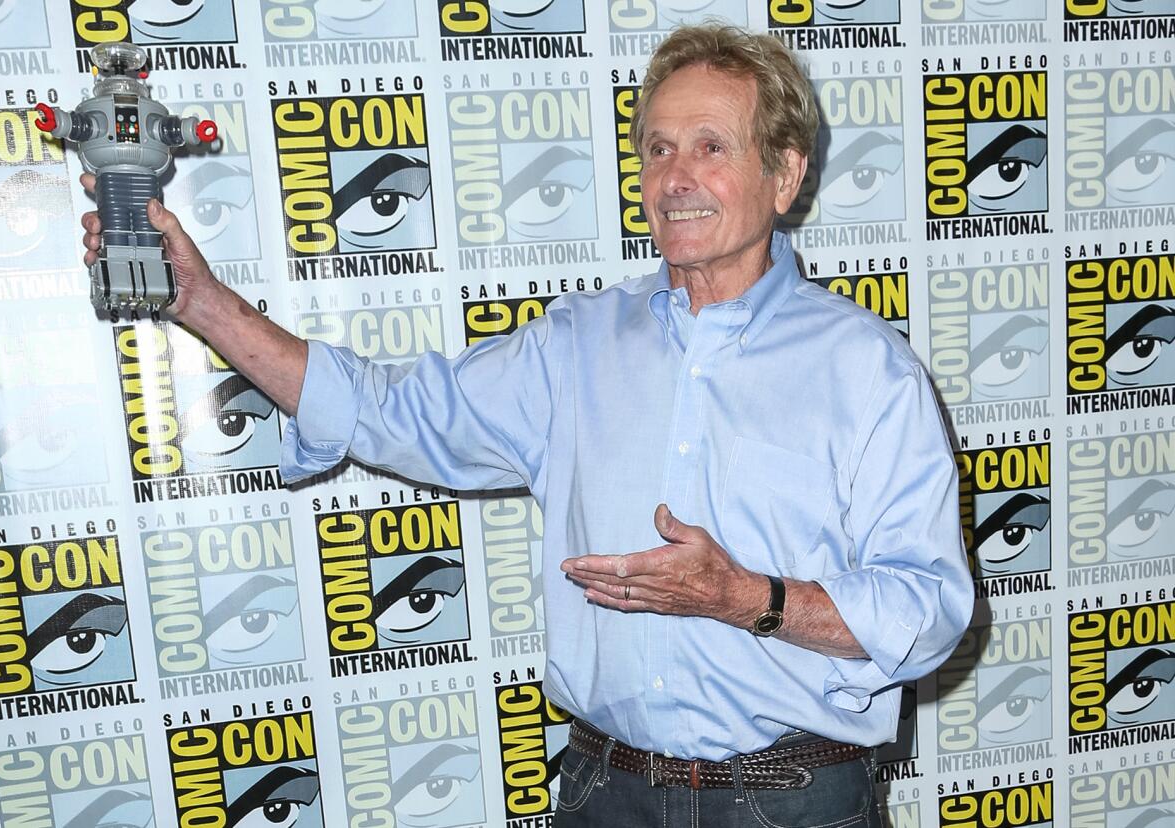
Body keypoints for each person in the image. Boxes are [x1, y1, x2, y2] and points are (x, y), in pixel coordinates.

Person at [80, 23, 973, 828]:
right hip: (601, 793)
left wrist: (743, 598)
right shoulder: (575, 345)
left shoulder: (868, 372)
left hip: (793, 804)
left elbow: (929, 611)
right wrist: (200, 302)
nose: (676, 178)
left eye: (711, 146)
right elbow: (387, 409)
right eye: (657, 149)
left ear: (784, 174)